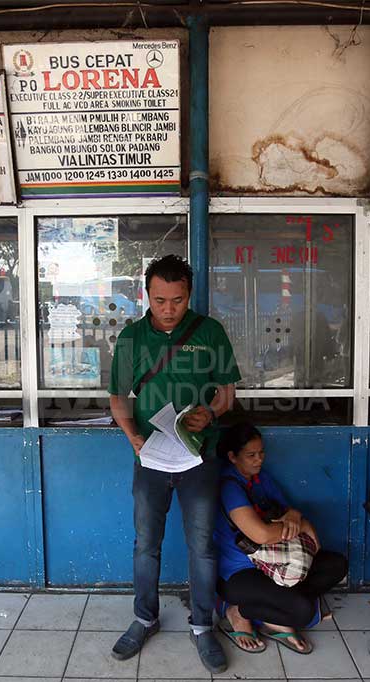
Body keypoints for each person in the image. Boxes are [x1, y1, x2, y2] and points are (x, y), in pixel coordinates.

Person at [108, 255, 241, 673]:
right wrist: (133, 437)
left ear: (189, 295)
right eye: (160, 299)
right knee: (146, 543)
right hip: (150, 457)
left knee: (202, 546)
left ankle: (203, 625)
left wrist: (212, 413)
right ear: (146, 294)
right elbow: (118, 398)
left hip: (198, 455)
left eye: (177, 300)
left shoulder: (210, 332)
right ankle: (144, 617)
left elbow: (226, 392)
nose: (168, 309)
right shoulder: (131, 338)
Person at [213, 422, 348, 655]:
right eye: (251, 455)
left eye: (261, 453)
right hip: (241, 573)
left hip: (275, 561)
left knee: (337, 564)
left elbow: (288, 512)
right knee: (303, 612)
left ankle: (274, 608)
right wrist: (303, 525)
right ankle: (238, 611)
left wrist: (296, 516)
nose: (259, 459)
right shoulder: (230, 487)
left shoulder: (261, 479)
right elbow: (261, 535)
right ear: (232, 457)